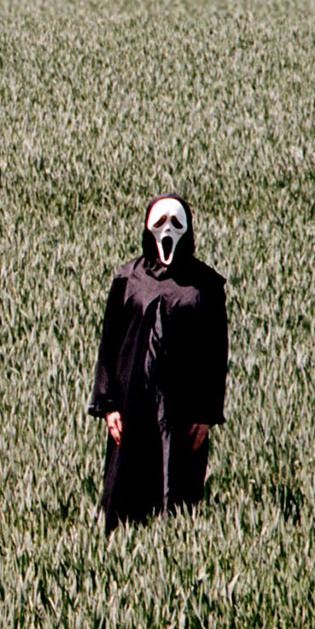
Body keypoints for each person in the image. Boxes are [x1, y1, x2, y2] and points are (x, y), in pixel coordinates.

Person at [90, 194, 229, 532]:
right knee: (126, 490)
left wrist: (208, 414)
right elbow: (109, 344)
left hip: (182, 408)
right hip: (131, 401)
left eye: (176, 223)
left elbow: (216, 353)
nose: (168, 230)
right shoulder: (127, 278)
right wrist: (109, 406)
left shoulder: (206, 285)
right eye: (160, 222)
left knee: (178, 492)